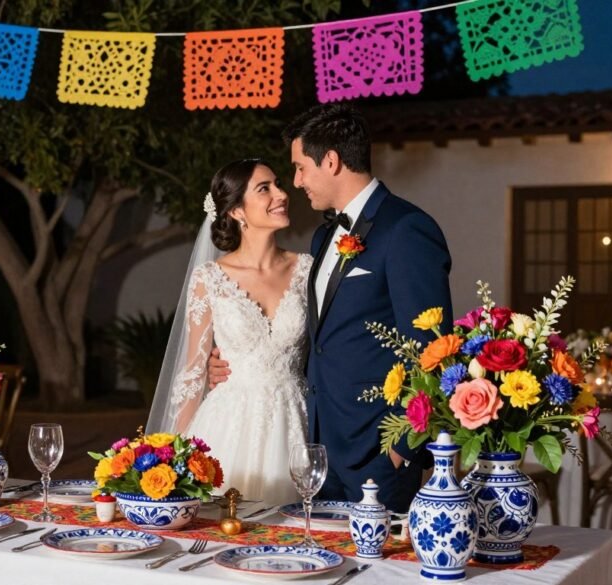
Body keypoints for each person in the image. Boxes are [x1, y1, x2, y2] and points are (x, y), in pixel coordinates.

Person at [209, 104, 453, 513]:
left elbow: (433, 351)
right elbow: (319, 341)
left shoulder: (406, 229)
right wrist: (232, 361)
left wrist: (401, 452)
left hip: (377, 454)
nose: (297, 181)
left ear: (332, 161)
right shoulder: (324, 238)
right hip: (316, 451)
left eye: (301, 168)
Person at [145, 159, 311, 507]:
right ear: (237, 211)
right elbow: (191, 375)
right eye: (265, 188)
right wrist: (170, 458)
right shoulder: (210, 278)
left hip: (294, 423)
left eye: (278, 184)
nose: (282, 194)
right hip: (227, 425)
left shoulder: (307, 270)